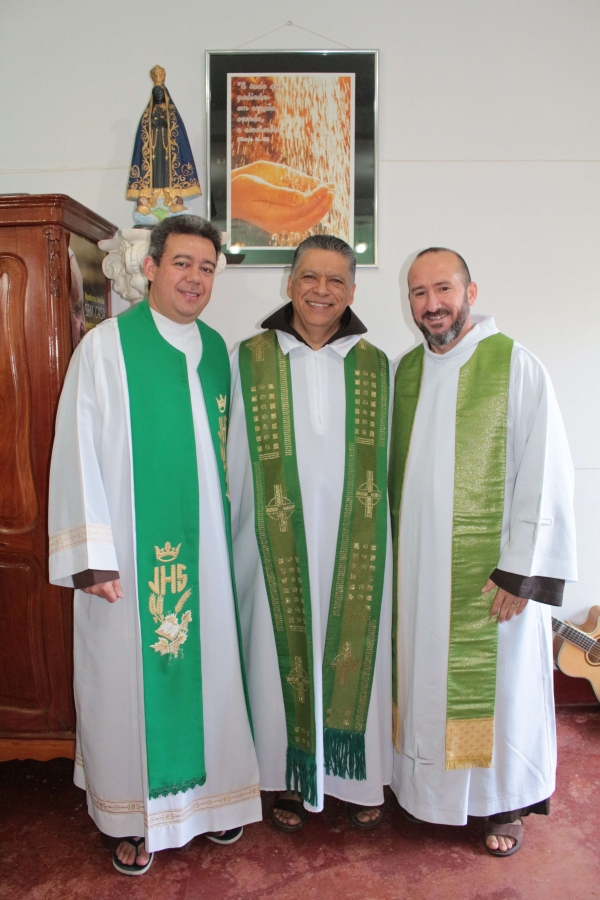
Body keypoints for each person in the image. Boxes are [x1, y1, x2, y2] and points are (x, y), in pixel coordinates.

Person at [48, 215, 261, 875]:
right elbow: (75, 450)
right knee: (127, 686)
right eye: (182, 264)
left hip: (206, 555)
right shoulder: (106, 348)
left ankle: (211, 804)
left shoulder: (217, 351)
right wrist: (90, 557)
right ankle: (133, 818)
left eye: (207, 268)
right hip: (130, 557)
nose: (195, 278)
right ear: (151, 268)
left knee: (213, 677)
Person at [389, 247, 577, 856]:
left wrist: (521, 572)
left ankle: (503, 804)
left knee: (500, 692)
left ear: (471, 292)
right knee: (425, 680)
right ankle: (427, 792)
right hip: (421, 574)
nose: (432, 304)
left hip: (491, 577)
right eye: (419, 292)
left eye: (443, 289)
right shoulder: (407, 372)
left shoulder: (514, 364)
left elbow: (545, 472)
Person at [228, 235, 393, 832]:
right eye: (309, 277)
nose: (322, 290)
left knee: (355, 652)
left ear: (353, 289)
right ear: (290, 282)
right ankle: (293, 779)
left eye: (336, 280)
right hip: (274, 547)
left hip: (357, 546)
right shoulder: (248, 359)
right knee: (279, 661)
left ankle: (357, 776)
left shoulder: (377, 366)